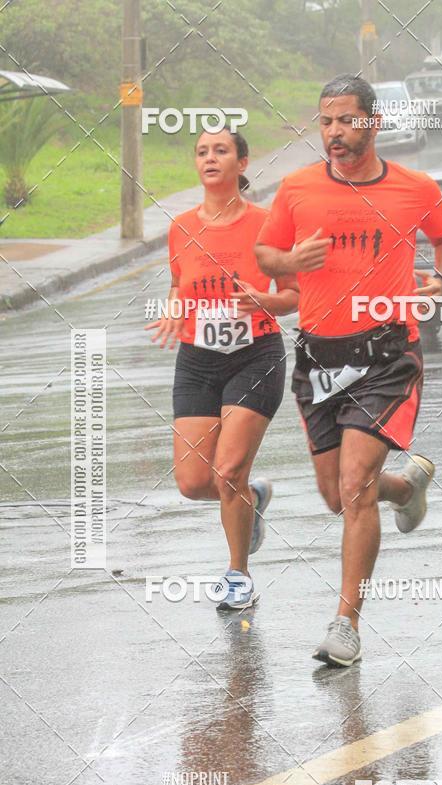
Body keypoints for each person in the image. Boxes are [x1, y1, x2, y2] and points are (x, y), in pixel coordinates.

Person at [255, 74, 442, 666]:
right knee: (337, 495)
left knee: (353, 487)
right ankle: (406, 488)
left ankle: (345, 625)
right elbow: (266, 255)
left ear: (373, 121)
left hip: (388, 355)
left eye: (346, 120)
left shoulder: (413, 187)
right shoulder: (296, 189)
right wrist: (289, 260)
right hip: (319, 357)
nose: (334, 133)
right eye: (325, 122)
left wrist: (441, 279)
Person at [146, 126, 299, 611]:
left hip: (255, 354)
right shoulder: (181, 227)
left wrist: (262, 300)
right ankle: (250, 499)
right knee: (194, 483)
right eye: (202, 152)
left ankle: (238, 575)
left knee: (228, 469)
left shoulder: (267, 224)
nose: (210, 158)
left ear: (242, 163)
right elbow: (178, 283)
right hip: (197, 360)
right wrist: (174, 309)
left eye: (221, 151)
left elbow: (295, 296)